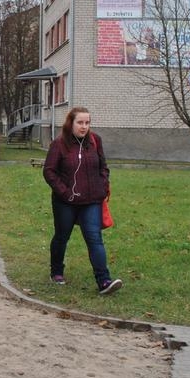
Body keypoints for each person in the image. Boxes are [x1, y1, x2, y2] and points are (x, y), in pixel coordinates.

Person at [42, 106, 122, 295]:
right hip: (66, 202)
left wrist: (102, 186)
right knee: (62, 237)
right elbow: (49, 171)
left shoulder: (95, 141)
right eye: (80, 122)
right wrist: (64, 192)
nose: (84, 127)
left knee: (95, 239)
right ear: (71, 123)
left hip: (91, 201)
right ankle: (56, 272)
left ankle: (104, 281)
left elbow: (103, 166)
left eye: (87, 122)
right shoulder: (59, 144)